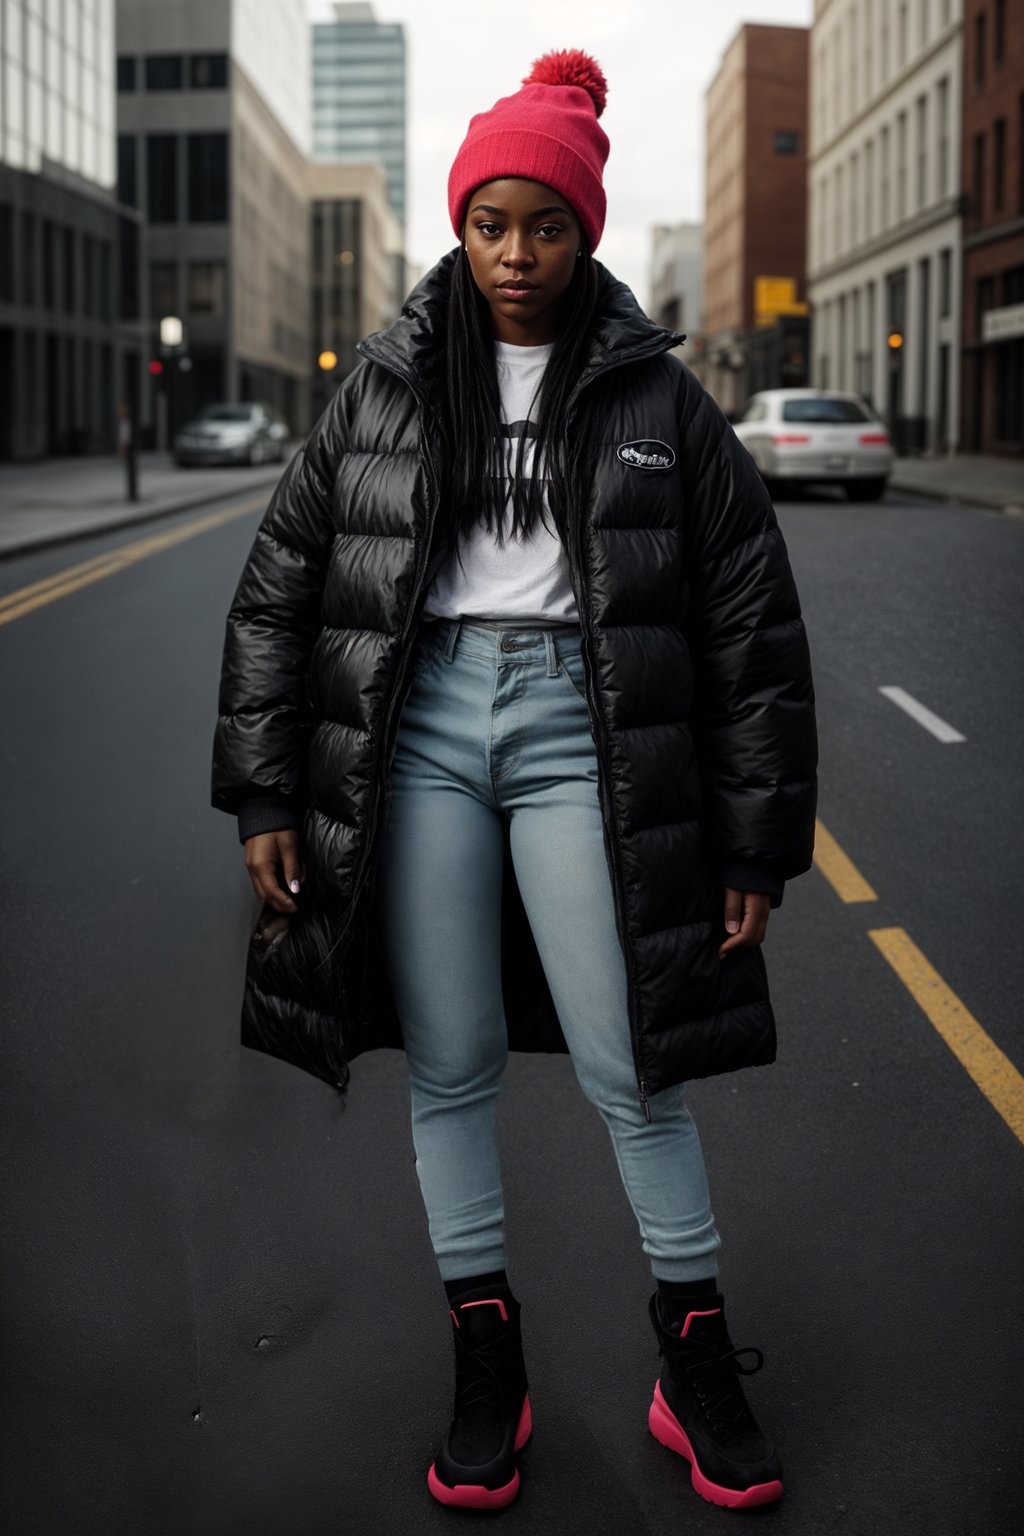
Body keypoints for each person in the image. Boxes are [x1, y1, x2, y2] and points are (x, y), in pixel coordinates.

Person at [211, 49, 817, 1514]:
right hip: (418, 735)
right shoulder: (392, 379)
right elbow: (284, 585)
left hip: (577, 736)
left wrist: (756, 837)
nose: (517, 255)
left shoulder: (660, 398)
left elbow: (751, 622)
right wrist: (267, 793)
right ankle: (488, 1356)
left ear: (587, 228)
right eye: (491, 224)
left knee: (632, 1060)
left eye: (545, 225)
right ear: (459, 227)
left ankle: (694, 1357)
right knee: (453, 1060)